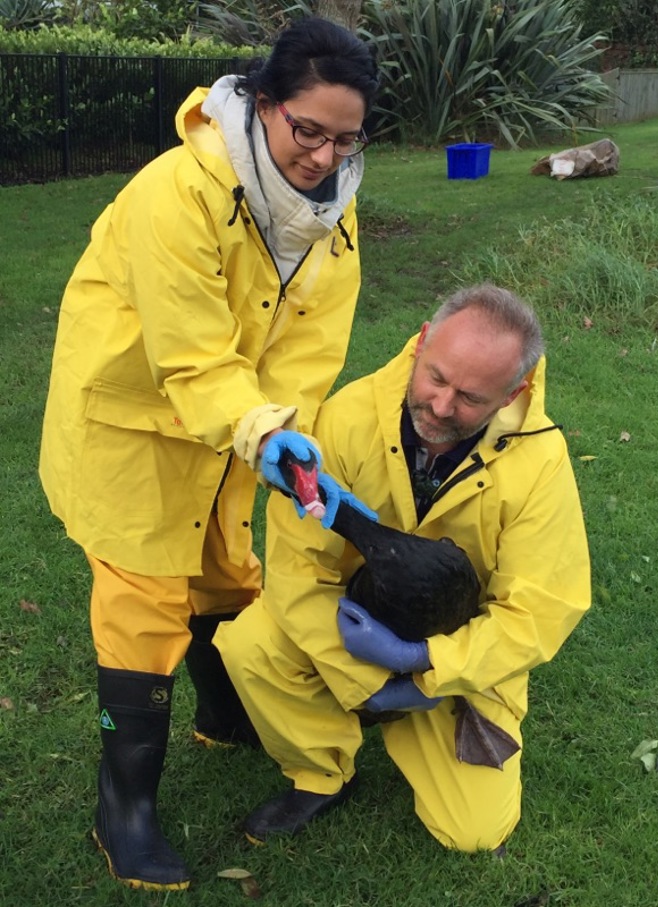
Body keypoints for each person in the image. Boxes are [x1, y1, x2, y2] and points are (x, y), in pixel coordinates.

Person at [38, 17, 380, 891]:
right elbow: (189, 355)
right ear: (265, 106)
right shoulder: (178, 192)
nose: (324, 156)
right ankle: (126, 808)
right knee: (145, 598)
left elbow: (309, 347)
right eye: (308, 130)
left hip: (235, 430)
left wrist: (284, 435)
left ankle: (225, 715)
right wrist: (261, 427)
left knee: (227, 571)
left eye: (347, 138)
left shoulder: (332, 219)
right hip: (133, 421)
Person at [216, 283, 591, 854]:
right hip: (348, 625)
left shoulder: (540, 462)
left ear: (514, 392)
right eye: (436, 378)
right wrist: (371, 678)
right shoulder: (345, 418)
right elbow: (297, 573)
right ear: (421, 343)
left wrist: (425, 666)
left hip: (456, 657)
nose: (441, 408)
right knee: (253, 644)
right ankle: (321, 773)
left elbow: (541, 611)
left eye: (469, 398)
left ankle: (417, 714)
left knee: (474, 833)